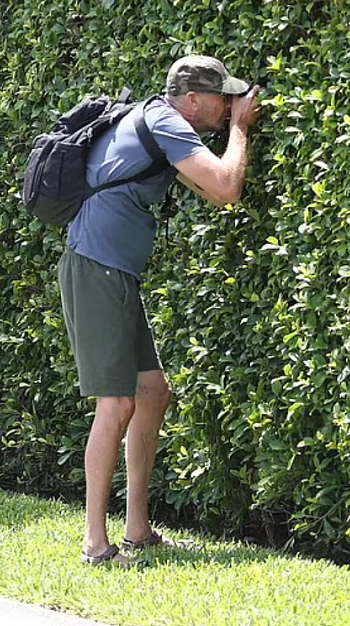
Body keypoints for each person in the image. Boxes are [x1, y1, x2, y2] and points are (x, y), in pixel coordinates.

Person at [59, 55, 262, 567]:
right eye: (222, 97)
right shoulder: (166, 121)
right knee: (117, 404)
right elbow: (226, 187)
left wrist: (228, 132)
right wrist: (240, 130)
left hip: (112, 270)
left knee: (152, 392)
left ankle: (138, 530)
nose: (229, 105)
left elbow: (212, 191)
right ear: (192, 99)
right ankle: (95, 543)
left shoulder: (159, 122)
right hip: (96, 267)